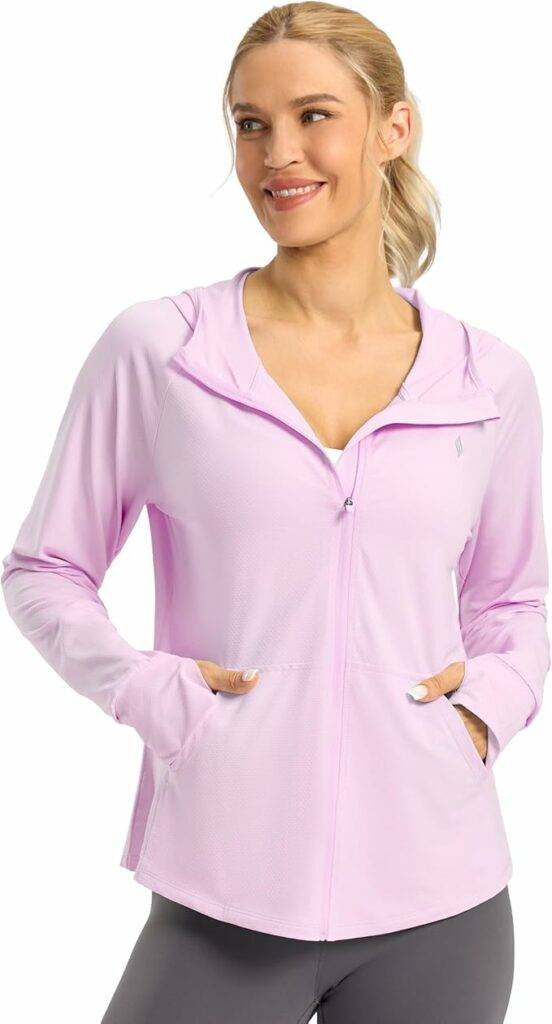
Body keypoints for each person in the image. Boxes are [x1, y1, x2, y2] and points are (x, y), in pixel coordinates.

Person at [2, 3, 549, 1021]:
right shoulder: (162, 352)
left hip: (443, 898)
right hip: (223, 886)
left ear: (394, 127)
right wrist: (152, 694)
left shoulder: (490, 380)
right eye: (251, 124)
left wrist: (488, 707)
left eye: (314, 116)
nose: (277, 154)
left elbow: (516, 594)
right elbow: (45, 570)